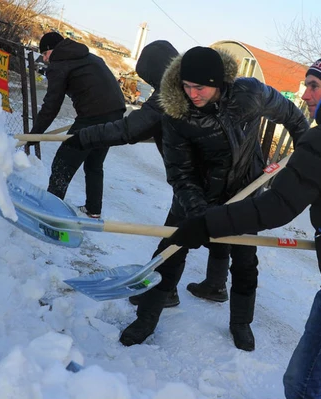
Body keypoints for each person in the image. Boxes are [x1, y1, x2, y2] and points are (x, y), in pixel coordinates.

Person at [166, 57, 321, 397]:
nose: (304, 94)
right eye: (305, 85)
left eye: (314, 86)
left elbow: (277, 207)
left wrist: (207, 223)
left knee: (303, 382)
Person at [119, 46, 310, 351]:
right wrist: (200, 215)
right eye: (187, 86)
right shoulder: (177, 113)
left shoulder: (251, 96)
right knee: (170, 251)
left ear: (219, 83)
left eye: (200, 87)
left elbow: (294, 118)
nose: (192, 94)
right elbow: (181, 173)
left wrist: (303, 150)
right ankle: (146, 318)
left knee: (245, 261)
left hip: (245, 193)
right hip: (196, 192)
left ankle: (241, 324)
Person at [62, 40, 232, 307]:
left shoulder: (169, 96)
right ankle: (215, 284)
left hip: (191, 178)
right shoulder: (203, 88)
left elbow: (127, 130)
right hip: (225, 176)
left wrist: (84, 137)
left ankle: (165, 292)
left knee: (176, 235)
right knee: (219, 226)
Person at [29, 32, 126, 218]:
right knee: (94, 163)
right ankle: (93, 209)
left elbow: (51, 105)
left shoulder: (59, 63)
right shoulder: (89, 57)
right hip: (116, 115)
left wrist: (35, 134)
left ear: (51, 50)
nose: (44, 59)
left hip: (93, 116)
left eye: (44, 54)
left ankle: (49, 212)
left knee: (63, 162)